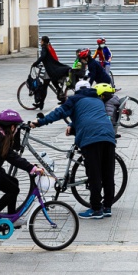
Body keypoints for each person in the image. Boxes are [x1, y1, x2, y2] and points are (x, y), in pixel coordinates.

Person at [32, 81, 117, 219]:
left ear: (76, 91)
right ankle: (107, 207)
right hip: (108, 136)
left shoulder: (74, 99)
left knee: (94, 174)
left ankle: (96, 209)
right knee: (108, 173)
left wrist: (39, 122)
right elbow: (87, 113)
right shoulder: (97, 100)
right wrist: (72, 124)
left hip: (91, 138)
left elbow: (59, 112)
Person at [0, 109, 44, 236]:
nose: (17, 130)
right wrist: (31, 168)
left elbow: (13, 156)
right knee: (13, 190)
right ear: (12, 127)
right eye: (17, 127)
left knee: (14, 182)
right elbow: (12, 157)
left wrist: (30, 166)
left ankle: (11, 217)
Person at [32, 36, 70, 109]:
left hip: (50, 69)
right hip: (52, 67)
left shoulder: (44, 47)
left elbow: (43, 56)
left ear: (43, 41)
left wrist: (36, 63)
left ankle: (41, 103)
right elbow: (48, 58)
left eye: (41, 41)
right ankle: (60, 94)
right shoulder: (48, 46)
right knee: (51, 82)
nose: (40, 42)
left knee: (45, 86)